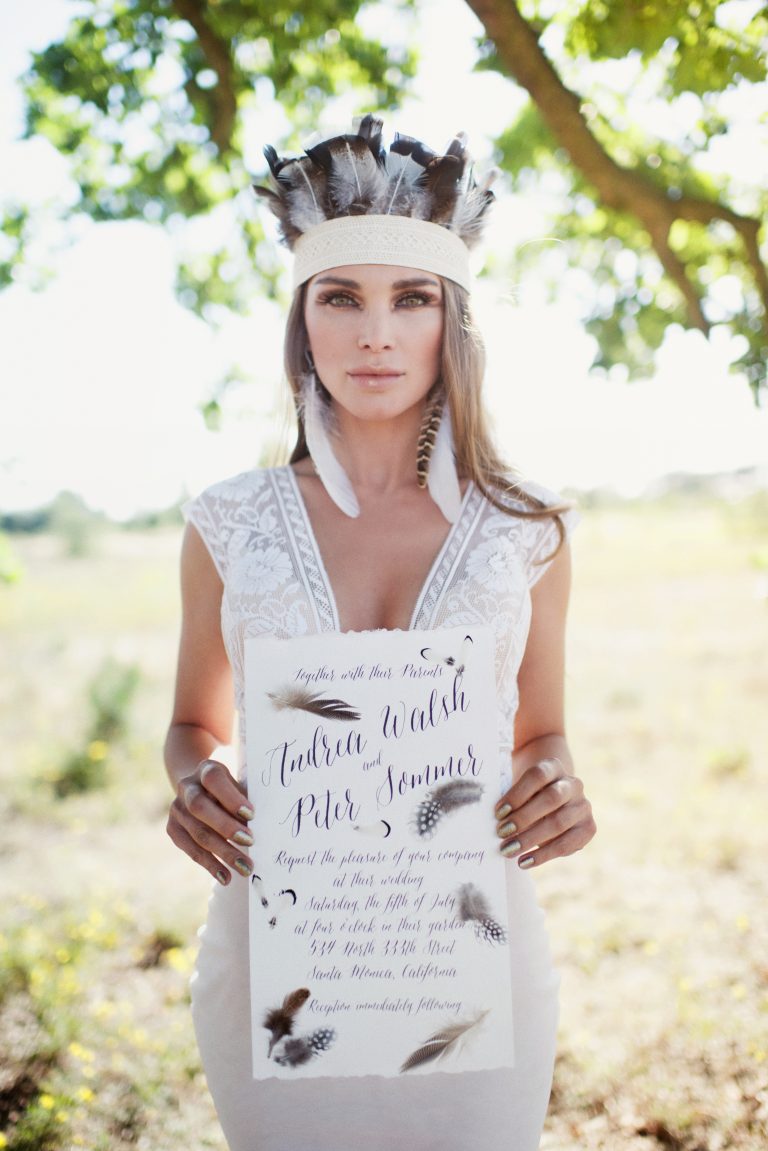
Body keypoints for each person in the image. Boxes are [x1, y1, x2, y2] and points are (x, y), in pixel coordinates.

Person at [164, 115, 595, 1151]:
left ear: (452, 322)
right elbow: (192, 724)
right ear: (301, 320)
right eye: (341, 297)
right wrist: (193, 781)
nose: (375, 334)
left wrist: (558, 787)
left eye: (411, 299)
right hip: (279, 969)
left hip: (471, 968)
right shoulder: (227, 521)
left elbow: (542, 736)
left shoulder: (528, 526)